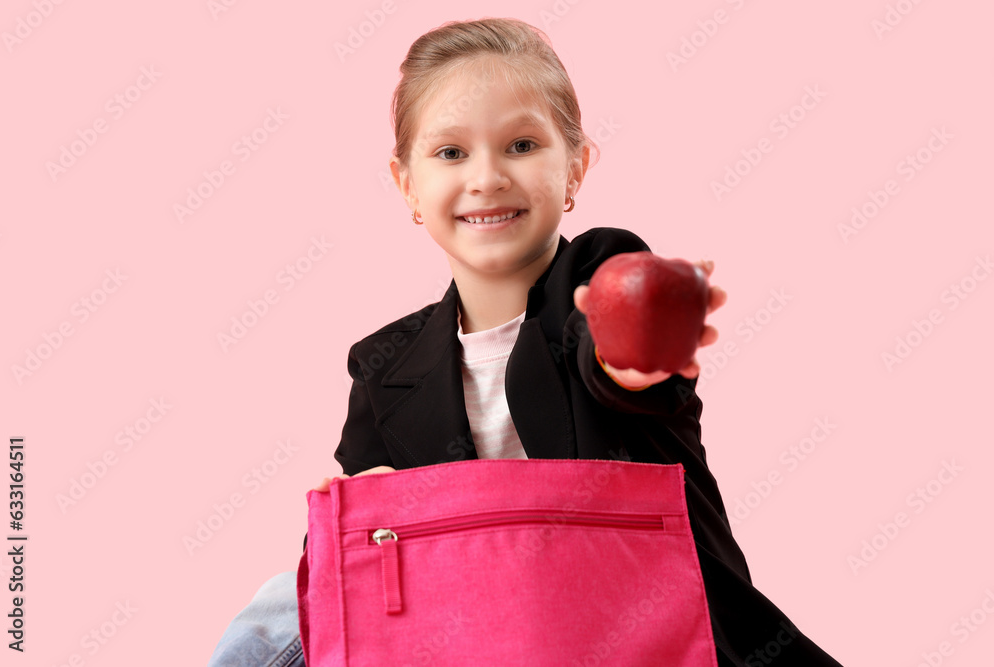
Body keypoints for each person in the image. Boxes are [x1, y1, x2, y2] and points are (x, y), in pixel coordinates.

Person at [208, 17, 842, 666]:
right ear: (408, 186)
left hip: (641, 616)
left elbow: (610, 351)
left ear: (575, 169)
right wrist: (363, 499)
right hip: (472, 627)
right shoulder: (383, 361)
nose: (487, 176)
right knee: (279, 604)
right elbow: (377, 536)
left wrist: (640, 341)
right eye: (451, 152)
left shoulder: (595, 278)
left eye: (521, 145)